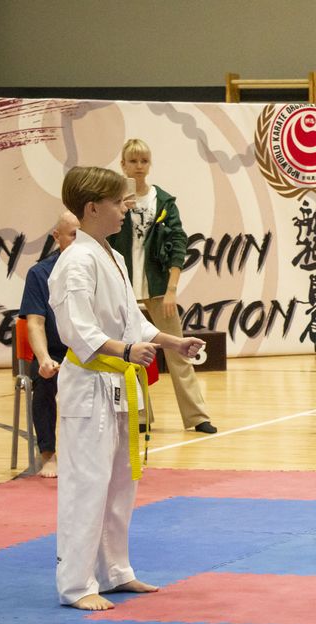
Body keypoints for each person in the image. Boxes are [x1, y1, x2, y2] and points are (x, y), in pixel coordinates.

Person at [50, 166, 205, 610]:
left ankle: (115, 571)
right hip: (89, 383)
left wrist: (172, 342)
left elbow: (133, 320)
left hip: (119, 381)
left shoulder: (113, 257)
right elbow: (77, 329)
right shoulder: (75, 262)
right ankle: (76, 584)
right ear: (92, 208)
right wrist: (127, 349)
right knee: (87, 484)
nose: (126, 209)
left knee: (120, 481)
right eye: (118, 202)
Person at [108, 138, 216, 434]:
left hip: (157, 287)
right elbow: (103, 239)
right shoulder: (113, 200)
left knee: (178, 350)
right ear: (123, 165)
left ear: (150, 164)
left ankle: (197, 416)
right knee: (131, 352)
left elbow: (178, 243)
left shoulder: (163, 200)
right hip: (123, 288)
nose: (138, 167)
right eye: (133, 161)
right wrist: (120, 209)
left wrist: (171, 288)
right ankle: (140, 415)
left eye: (144, 161)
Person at [17, 211, 80, 477]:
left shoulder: (101, 267)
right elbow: (35, 323)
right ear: (57, 236)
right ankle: (48, 454)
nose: (79, 241)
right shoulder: (39, 274)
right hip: (55, 351)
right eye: (73, 235)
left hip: (89, 350)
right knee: (44, 382)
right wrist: (43, 358)